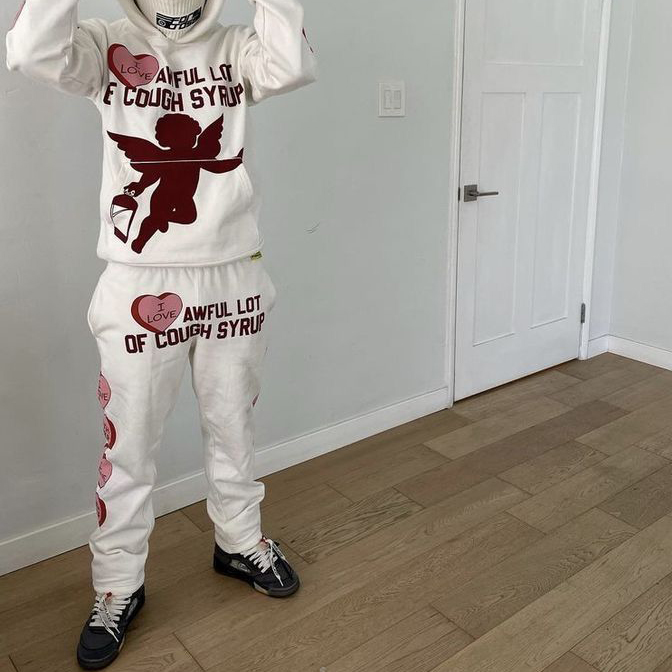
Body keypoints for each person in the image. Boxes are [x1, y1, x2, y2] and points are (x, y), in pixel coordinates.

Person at [6, 0, 317, 668]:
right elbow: (30, 52)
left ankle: (240, 541)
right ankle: (118, 583)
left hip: (233, 274)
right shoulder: (107, 45)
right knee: (129, 444)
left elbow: (290, 65)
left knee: (234, 426)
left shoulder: (237, 48)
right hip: (139, 280)